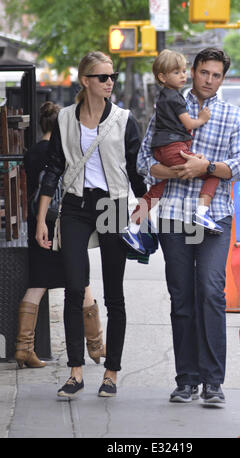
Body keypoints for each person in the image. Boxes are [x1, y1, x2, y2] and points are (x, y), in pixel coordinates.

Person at [137, 47, 240, 404]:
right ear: (194, 70)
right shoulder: (169, 105)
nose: (209, 80)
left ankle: (213, 381)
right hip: (173, 213)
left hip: (214, 214)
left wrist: (206, 168)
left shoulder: (234, 116)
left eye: (217, 75)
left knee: (211, 292)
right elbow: (143, 161)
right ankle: (186, 379)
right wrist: (174, 171)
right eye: (204, 72)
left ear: (222, 77)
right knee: (182, 295)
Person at [36, 51, 147, 398]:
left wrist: (145, 202)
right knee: (73, 286)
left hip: (112, 203)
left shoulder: (125, 120)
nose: (109, 82)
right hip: (74, 205)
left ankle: (111, 371)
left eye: (112, 76)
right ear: (85, 81)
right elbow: (54, 167)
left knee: (114, 293)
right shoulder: (66, 118)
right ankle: (75, 371)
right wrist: (42, 217)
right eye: (102, 77)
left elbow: (134, 168)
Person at [15, 101, 105, 369]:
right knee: (82, 282)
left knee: (37, 284)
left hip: (38, 224)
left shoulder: (31, 153)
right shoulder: (64, 150)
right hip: (65, 223)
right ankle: (97, 345)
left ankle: (23, 347)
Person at [122, 49, 223, 255]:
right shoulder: (175, 98)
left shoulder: (163, 97)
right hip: (173, 148)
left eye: (184, 71)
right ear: (162, 77)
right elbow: (189, 123)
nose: (183, 76)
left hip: (162, 150)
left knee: (156, 191)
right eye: (177, 72)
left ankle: (132, 227)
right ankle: (202, 212)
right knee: (213, 171)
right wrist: (202, 118)